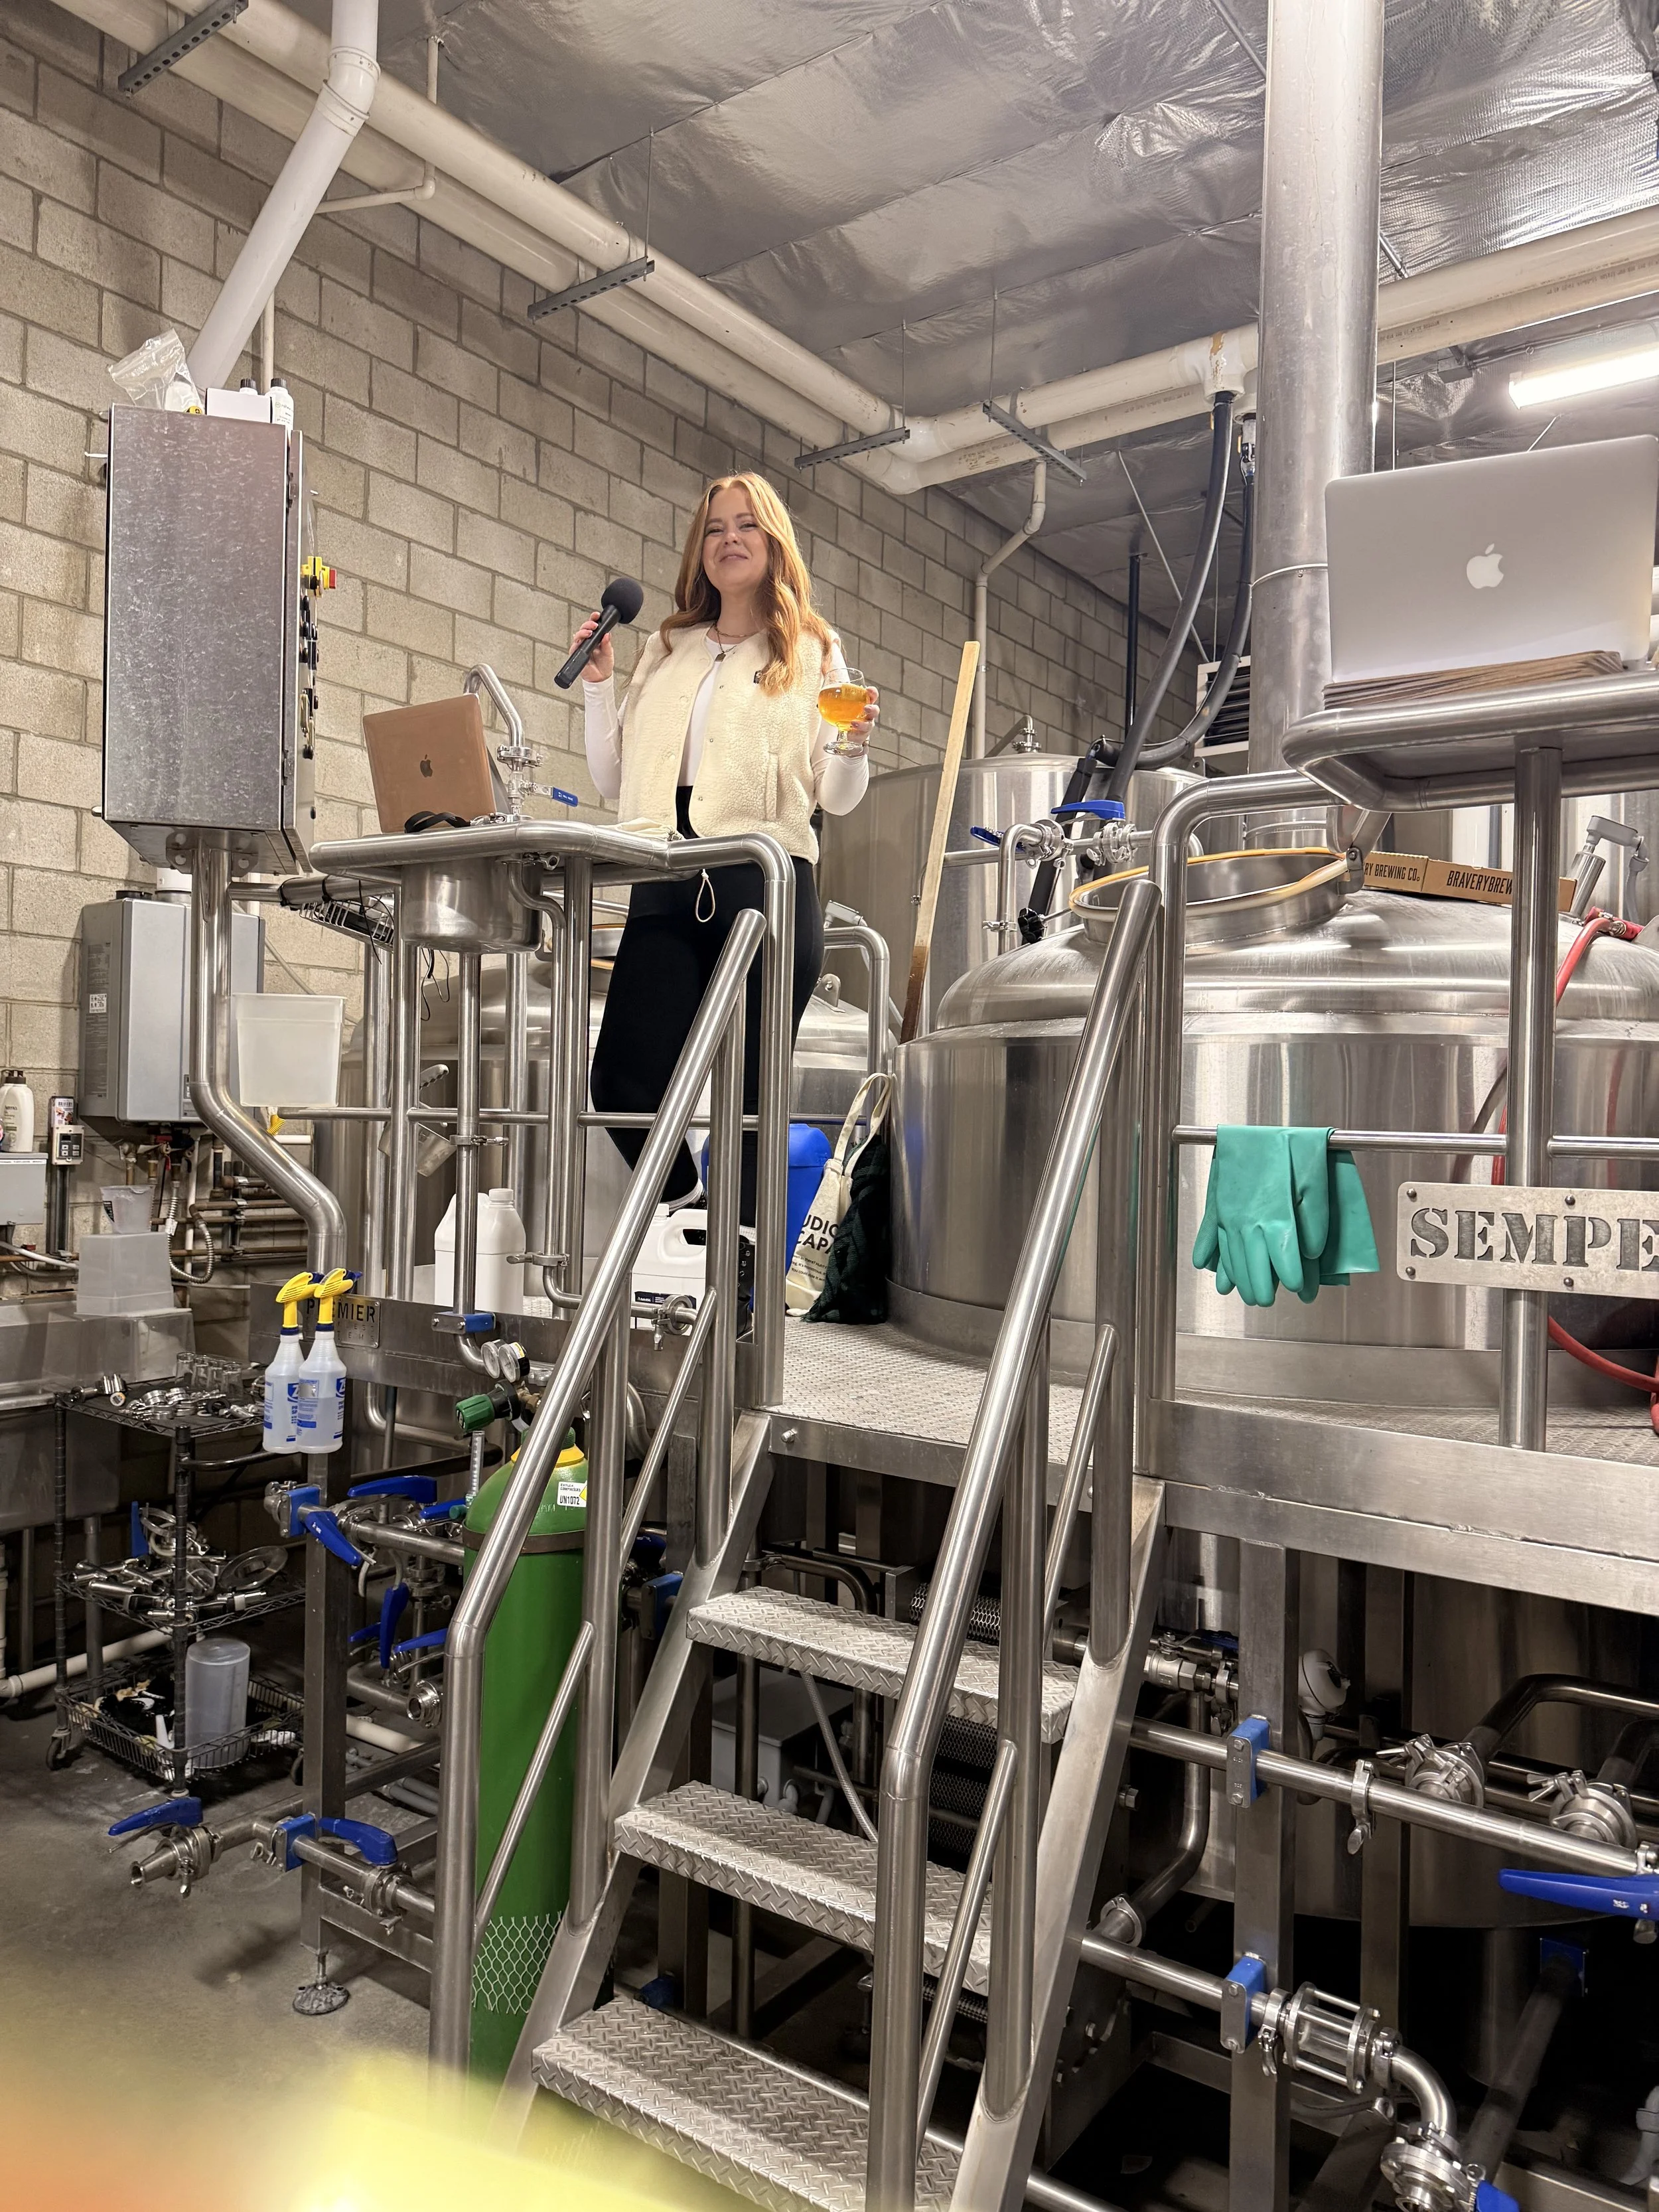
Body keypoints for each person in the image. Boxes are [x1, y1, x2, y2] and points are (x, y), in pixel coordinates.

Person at [575, 471, 877, 1276]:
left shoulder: (811, 649)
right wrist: (598, 689)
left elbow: (836, 797)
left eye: (746, 525)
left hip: (764, 883)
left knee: (749, 1096)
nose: (729, 539)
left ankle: (738, 1280)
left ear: (774, 543)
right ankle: (687, 1213)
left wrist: (854, 744)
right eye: (714, 528)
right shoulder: (667, 647)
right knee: (622, 1081)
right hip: (667, 874)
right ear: (698, 548)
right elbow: (613, 779)